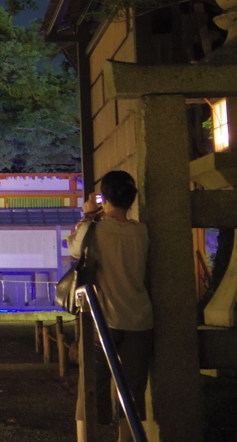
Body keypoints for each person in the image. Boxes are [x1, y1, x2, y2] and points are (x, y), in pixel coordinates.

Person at [67, 171, 152, 442]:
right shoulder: (142, 232)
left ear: (106, 199)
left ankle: (85, 437)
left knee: (90, 385)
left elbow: (75, 249)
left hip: (103, 319)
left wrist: (89, 215)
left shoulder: (95, 230)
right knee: (132, 390)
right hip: (140, 319)